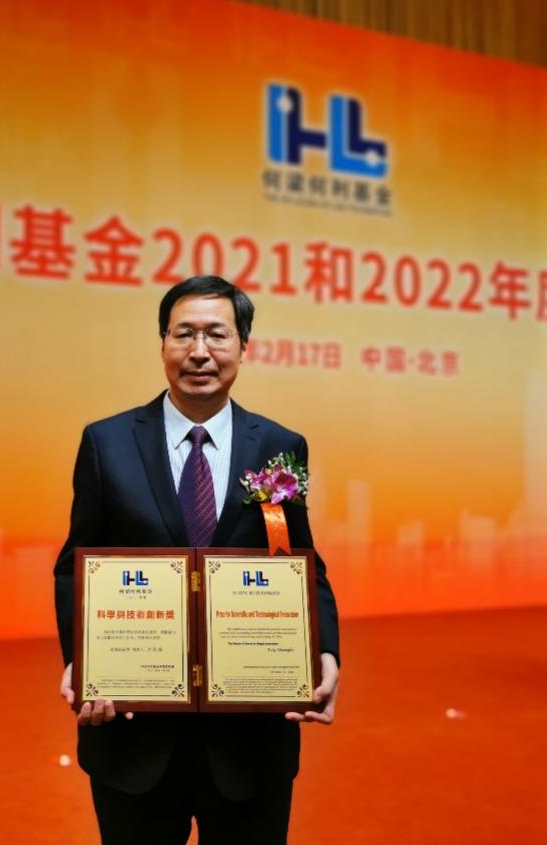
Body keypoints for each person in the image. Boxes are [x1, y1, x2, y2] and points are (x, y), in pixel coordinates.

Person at [53, 275, 340, 844]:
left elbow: (298, 560)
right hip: (134, 735)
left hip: (250, 740)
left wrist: (325, 652)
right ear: (162, 342)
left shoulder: (279, 447)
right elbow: (75, 564)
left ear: (243, 346)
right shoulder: (107, 443)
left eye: (217, 334)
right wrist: (84, 662)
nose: (200, 351)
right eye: (183, 334)